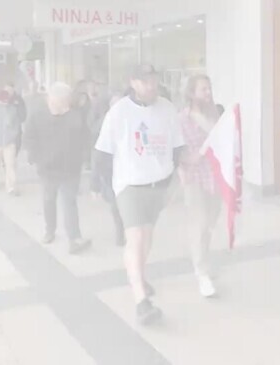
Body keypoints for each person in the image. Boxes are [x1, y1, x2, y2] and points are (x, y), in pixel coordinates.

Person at [94, 64, 185, 325]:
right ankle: (141, 301)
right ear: (133, 82)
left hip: (159, 184)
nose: (151, 86)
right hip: (130, 185)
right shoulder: (119, 112)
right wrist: (97, 185)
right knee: (135, 237)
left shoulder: (167, 108)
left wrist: (175, 175)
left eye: (154, 81)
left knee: (147, 236)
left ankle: (140, 276)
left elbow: (177, 145)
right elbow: (102, 152)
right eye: (146, 82)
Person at [24, 82, 92, 255]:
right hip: (47, 168)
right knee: (49, 199)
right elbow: (29, 137)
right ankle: (50, 230)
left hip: (71, 168)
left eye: (66, 101)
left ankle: (74, 238)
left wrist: (84, 156)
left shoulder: (75, 115)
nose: (65, 104)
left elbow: (85, 137)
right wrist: (35, 157)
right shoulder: (37, 115)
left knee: (69, 201)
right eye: (62, 101)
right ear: (51, 99)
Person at [178, 75, 223, 298]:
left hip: (215, 176)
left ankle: (203, 262)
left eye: (209, 88)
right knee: (200, 223)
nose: (207, 93)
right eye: (203, 89)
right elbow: (177, 149)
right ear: (192, 93)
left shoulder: (214, 114)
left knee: (210, 224)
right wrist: (184, 165)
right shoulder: (183, 119)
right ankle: (201, 271)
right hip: (195, 177)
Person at [90, 91, 126, 247]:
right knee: (116, 204)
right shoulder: (103, 124)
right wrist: (95, 184)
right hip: (110, 171)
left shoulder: (131, 121)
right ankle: (120, 231)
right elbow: (97, 155)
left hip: (129, 170)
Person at [0, 90, 25, 195]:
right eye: (3, 100)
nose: (5, 102)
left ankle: (11, 187)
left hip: (9, 142)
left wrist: (13, 136)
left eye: (6, 100)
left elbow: (16, 125)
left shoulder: (12, 110)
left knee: (10, 165)